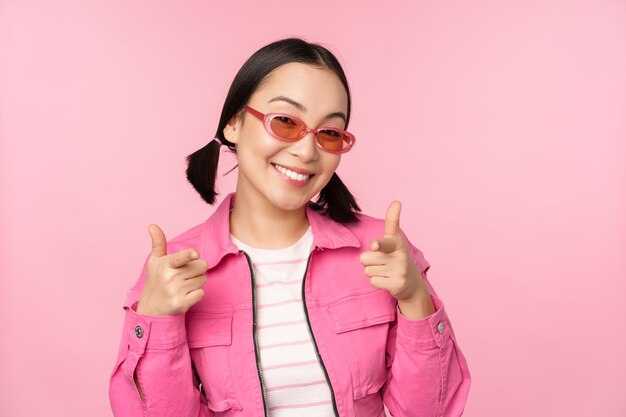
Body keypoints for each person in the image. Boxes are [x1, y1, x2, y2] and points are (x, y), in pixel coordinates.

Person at [109, 37, 471, 417]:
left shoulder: (382, 251)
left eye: (329, 133)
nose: (306, 151)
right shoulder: (176, 268)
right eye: (285, 122)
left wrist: (415, 299)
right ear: (233, 123)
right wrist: (156, 319)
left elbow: (430, 412)